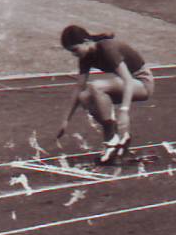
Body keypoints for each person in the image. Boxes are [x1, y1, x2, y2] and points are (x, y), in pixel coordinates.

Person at [56, 25, 155, 164]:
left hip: (142, 83)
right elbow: (79, 87)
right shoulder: (85, 56)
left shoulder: (107, 48)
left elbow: (127, 79)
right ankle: (119, 138)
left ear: (86, 41)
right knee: (85, 97)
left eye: (75, 50)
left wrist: (124, 111)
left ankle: (112, 140)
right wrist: (66, 120)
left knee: (96, 87)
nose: (74, 54)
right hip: (128, 83)